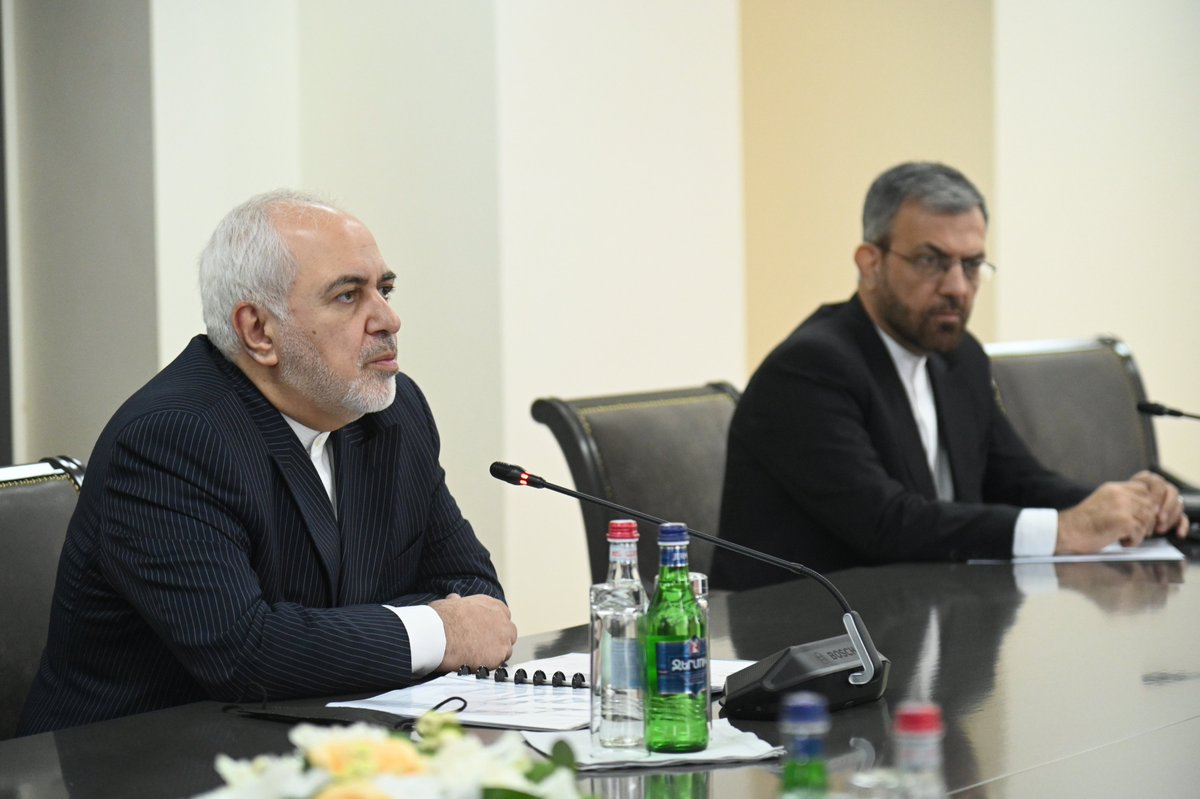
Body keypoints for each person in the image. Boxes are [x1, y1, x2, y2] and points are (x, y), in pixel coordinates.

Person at [18, 190, 516, 734]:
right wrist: (441, 630)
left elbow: (476, 593)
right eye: (348, 295)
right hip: (134, 757)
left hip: (324, 739)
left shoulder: (392, 411)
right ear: (258, 331)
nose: (389, 319)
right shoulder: (170, 438)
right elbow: (245, 652)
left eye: (385, 289)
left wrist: (317, 638)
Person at [713, 162, 1187, 588]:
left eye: (972, 264)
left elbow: (1017, 482)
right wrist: (1067, 529)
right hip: (808, 635)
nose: (958, 287)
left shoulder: (959, 358)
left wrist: (1126, 507)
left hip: (926, 614)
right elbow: (887, 524)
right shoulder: (810, 370)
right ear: (870, 264)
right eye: (931, 261)